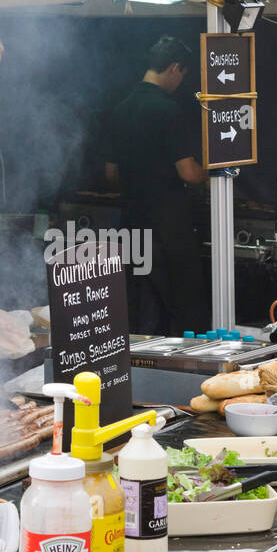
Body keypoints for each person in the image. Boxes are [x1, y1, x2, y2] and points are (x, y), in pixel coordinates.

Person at [104, 35, 208, 335]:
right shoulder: (168, 111)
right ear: (175, 68)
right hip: (169, 230)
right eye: (182, 75)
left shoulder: (120, 109)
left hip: (131, 225)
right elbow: (188, 172)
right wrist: (213, 177)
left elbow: (110, 173)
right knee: (177, 309)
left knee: (136, 306)